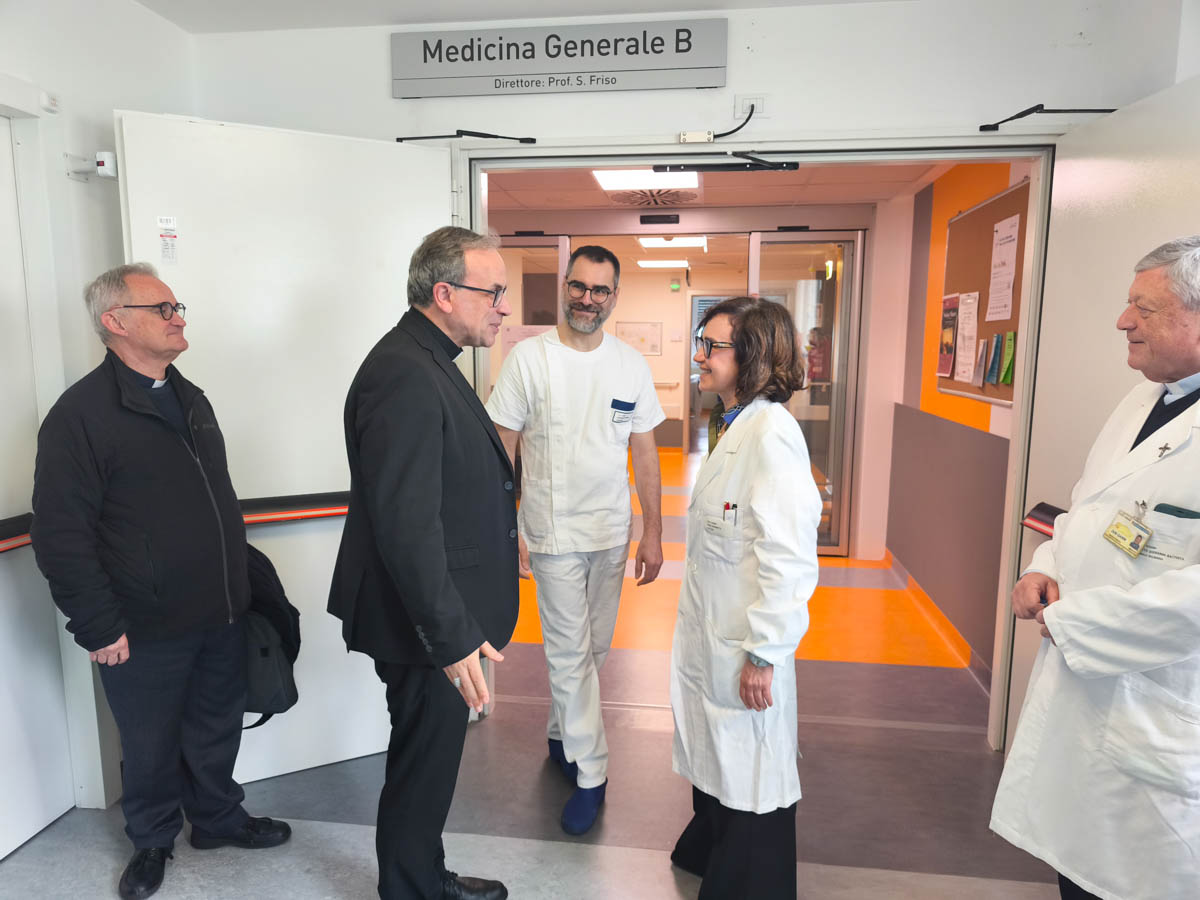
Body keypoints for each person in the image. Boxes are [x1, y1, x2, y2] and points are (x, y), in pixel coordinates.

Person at [31, 263, 291, 900]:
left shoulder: (191, 398)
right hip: (141, 623)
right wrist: (98, 624)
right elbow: (60, 533)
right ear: (116, 322)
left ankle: (218, 819)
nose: (178, 319)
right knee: (148, 743)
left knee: (216, 726)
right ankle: (151, 840)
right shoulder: (79, 416)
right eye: (163, 309)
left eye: (178, 308)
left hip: (220, 610)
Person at [991, 236, 1200, 900]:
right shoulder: (1141, 402)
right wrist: (1045, 567)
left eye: (1144, 308)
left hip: (1159, 711)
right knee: (1079, 874)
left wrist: (1076, 619)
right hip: (1090, 699)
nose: (1122, 321)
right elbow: (1086, 510)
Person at [327, 227, 518, 900]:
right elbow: (406, 522)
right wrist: (450, 635)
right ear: (444, 293)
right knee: (422, 763)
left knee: (428, 761)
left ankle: (422, 876)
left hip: (436, 613)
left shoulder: (428, 358)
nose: (502, 306)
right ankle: (412, 889)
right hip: (424, 621)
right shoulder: (403, 372)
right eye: (493, 292)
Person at [486, 244, 666, 835]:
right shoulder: (528, 360)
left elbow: (645, 452)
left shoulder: (629, 365)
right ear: (565, 287)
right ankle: (593, 774)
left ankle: (562, 735)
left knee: (593, 653)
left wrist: (653, 531)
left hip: (610, 533)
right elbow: (501, 447)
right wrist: (507, 525)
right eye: (579, 287)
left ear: (614, 297)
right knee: (569, 653)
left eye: (600, 290)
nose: (588, 299)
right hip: (552, 532)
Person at [669, 296, 821, 898]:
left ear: (752, 356)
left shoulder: (772, 435)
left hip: (744, 645)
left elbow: (789, 556)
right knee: (720, 763)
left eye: (712, 347)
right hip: (716, 634)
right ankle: (711, 851)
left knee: (752, 772)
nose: (699, 357)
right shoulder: (732, 425)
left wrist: (765, 651)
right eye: (701, 344)